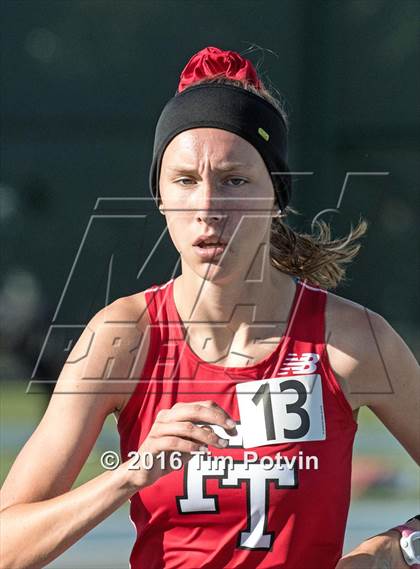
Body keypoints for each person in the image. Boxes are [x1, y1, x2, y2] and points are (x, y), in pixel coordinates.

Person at [1, 46, 419, 569]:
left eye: (234, 180)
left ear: (276, 195)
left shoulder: (351, 341)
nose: (207, 208)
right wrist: (129, 474)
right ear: (159, 197)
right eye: (185, 181)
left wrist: (395, 551)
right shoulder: (124, 337)